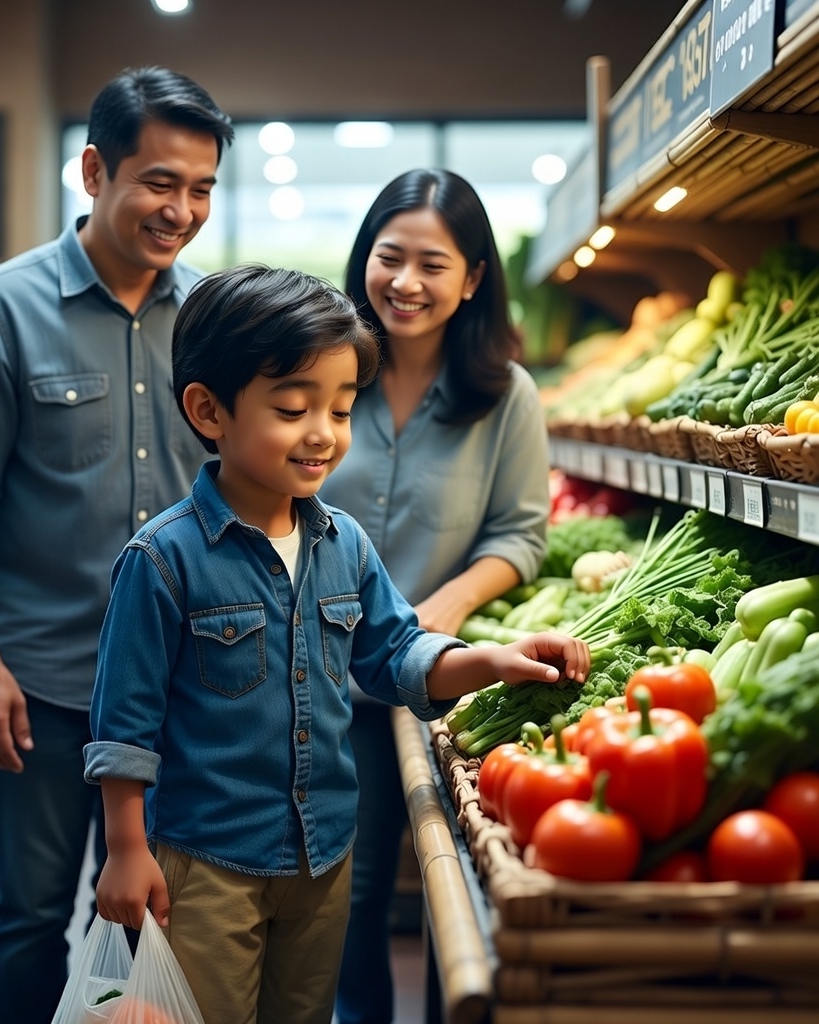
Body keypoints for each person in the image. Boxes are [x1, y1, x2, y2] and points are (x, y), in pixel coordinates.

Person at [83, 263, 589, 1024]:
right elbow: (123, 725)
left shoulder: (341, 542)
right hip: (207, 860)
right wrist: (127, 850)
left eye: (342, 409)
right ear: (208, 410)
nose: (323, 433)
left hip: (323, 858)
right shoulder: (163, 560)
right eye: (292, 408)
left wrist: (491, 660)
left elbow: (393, 653)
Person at [0, 66, 233, 1024]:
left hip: (186, 682)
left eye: (202, 190)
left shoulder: (216, 323)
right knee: (29, 917)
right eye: (160, 182)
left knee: (159, 916)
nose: (180, 210)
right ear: (95, 171)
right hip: (46, 687)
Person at [320, 168, 551, 1024]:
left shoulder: (506, 398)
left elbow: (521, 535)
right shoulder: (324, 369)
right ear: (364, 259)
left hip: (429, 679)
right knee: (337, 894)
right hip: (303, 672)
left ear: (474, 278)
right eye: (389, 257)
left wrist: (448, 605)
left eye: (432, 264)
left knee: (384, 890)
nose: (405, 283)